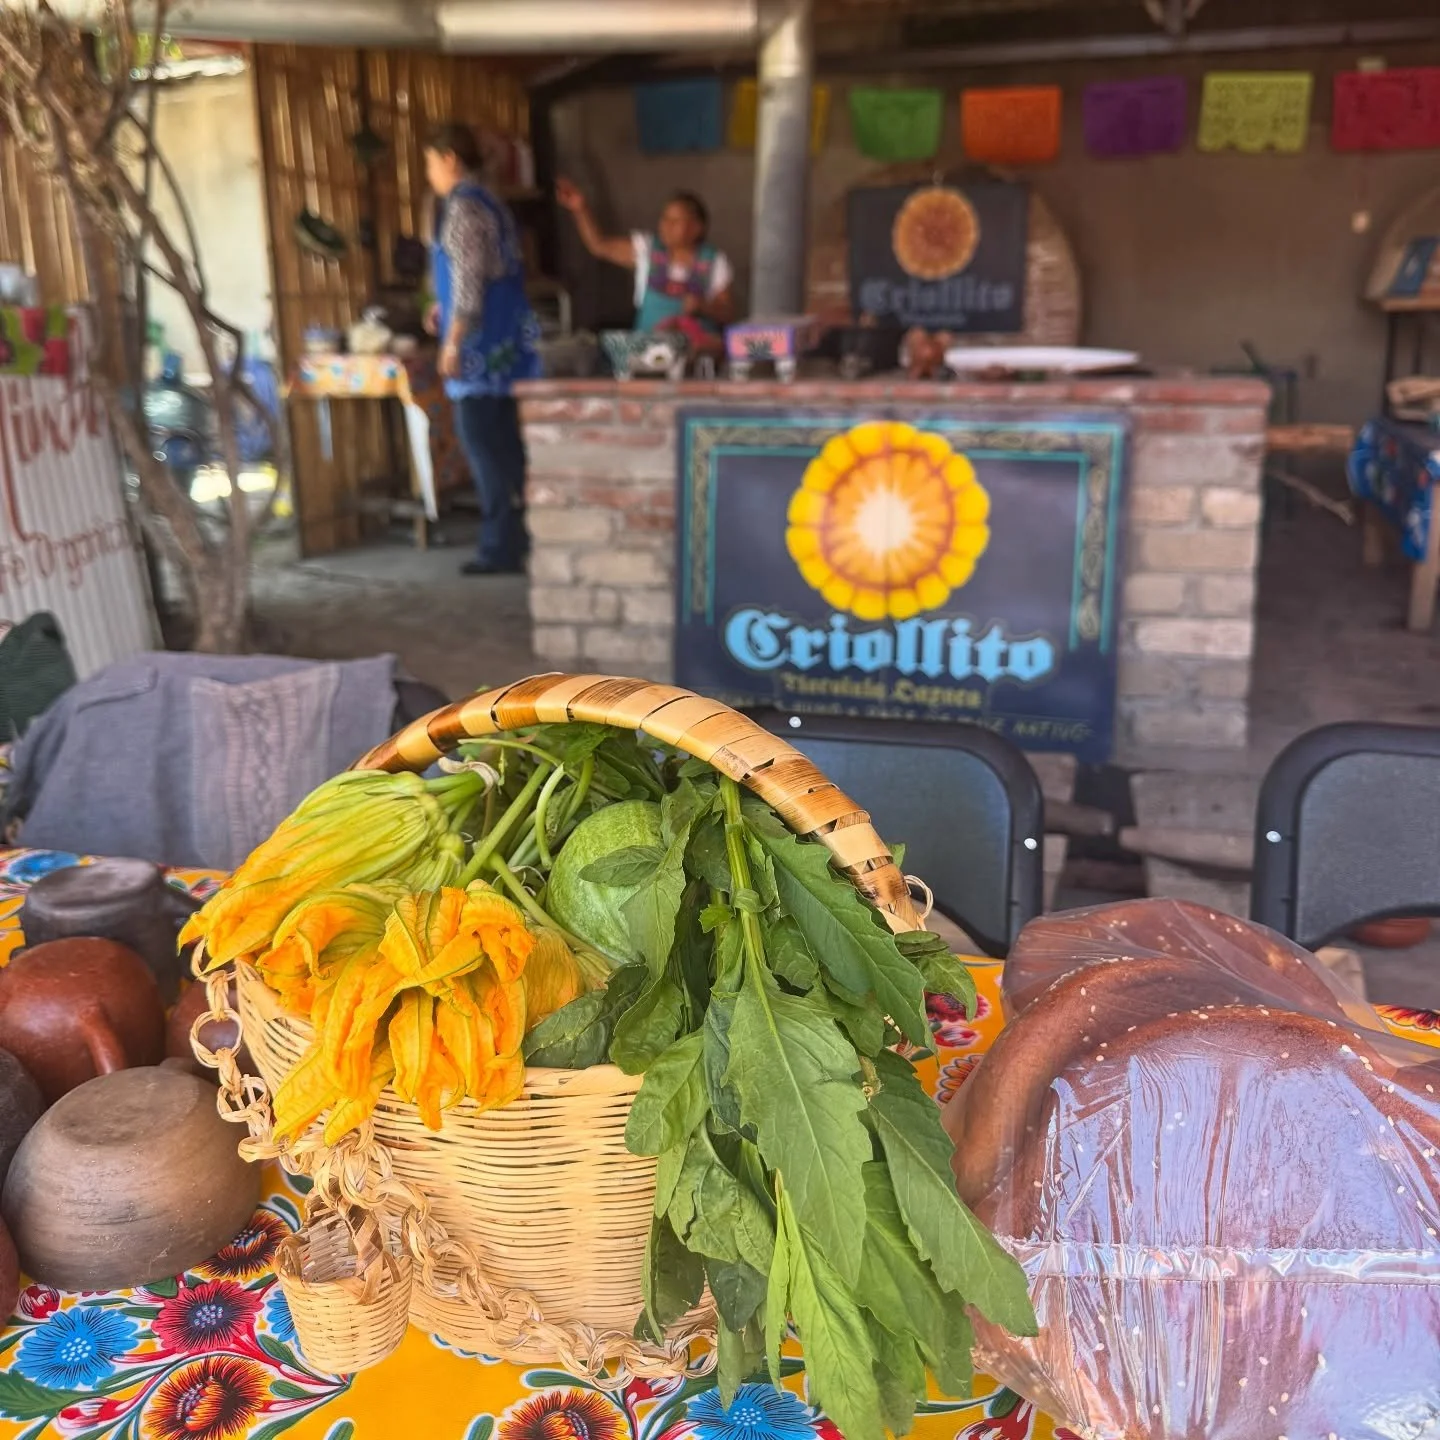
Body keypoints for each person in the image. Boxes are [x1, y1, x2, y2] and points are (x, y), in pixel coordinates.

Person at [424, 123, 539, 576]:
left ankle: (500, 547)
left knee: (483, 447)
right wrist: (441, 307)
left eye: (431, 163)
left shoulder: (465, 209)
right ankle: (529, 532)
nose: (430, 173)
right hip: (504, 342)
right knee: (505, 445)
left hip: (481, 346)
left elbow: (470, 285)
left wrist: (452, 341)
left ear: (450, 158)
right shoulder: (493, 204)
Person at [555, 180, 734, 354]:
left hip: (695, 357)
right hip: (648, 353)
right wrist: (580, 209)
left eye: (675, 221)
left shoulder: (714, 261)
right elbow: (599, 246)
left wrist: (703, 306)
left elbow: (727, 314)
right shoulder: (647, 250)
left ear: (696, 227)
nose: (666, 226)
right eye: (664, 219)